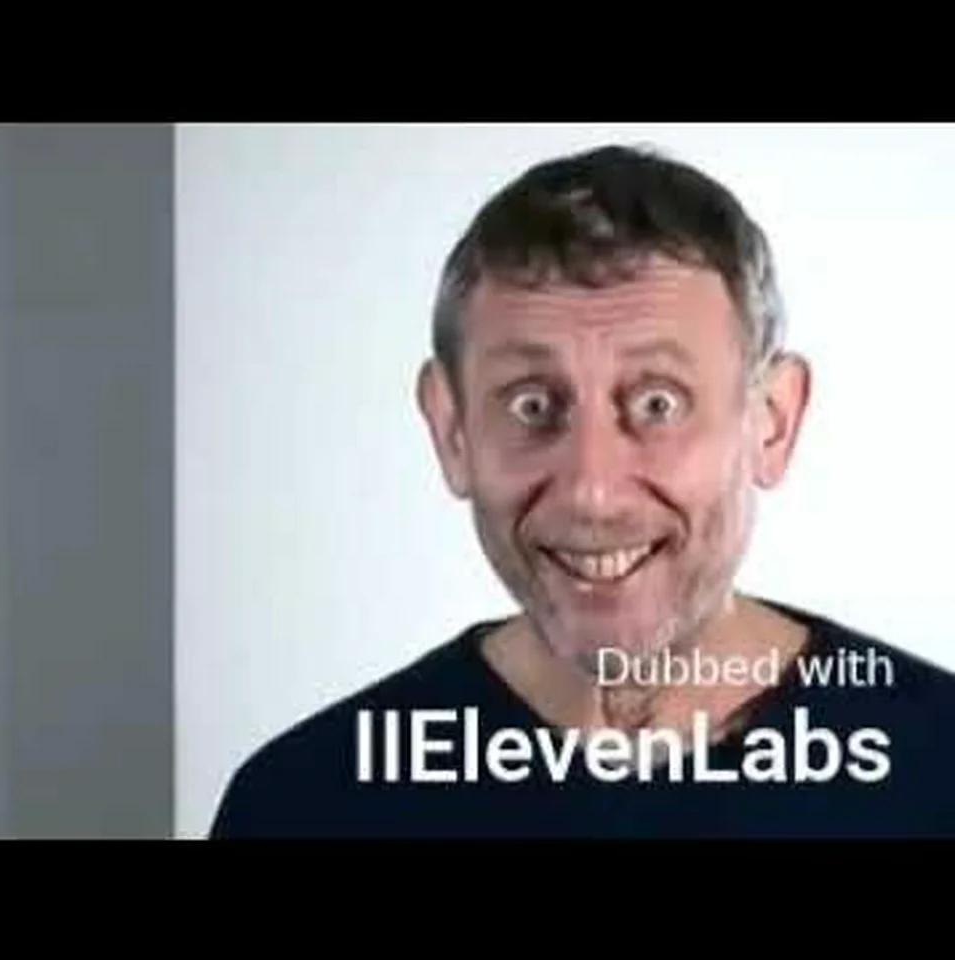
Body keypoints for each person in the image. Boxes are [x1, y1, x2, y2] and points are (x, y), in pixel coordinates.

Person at [208, 143, 955, 838]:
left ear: (772, 423)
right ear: (451, 430)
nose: (592, 493)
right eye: (532, 405)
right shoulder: (304, 804)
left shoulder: (936, 772)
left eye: (658, 403)